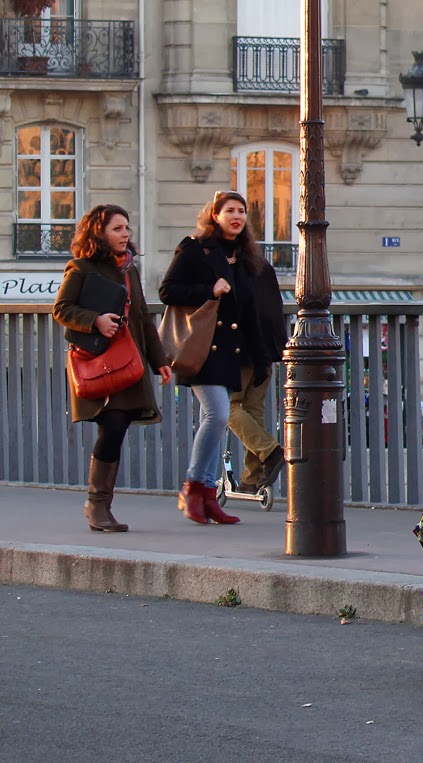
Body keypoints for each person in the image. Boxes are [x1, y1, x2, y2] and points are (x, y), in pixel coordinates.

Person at [52, 205, 173, 532]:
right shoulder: (81, 268)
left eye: (126, 229)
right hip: (100, 361)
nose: (125, 235)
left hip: (128, 360)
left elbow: (143, 317)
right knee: (114, 424)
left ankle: (99, 506)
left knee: (116, 428)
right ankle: (97, 504)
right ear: (99, 233)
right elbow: (61, 308)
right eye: (118, 229)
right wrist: (96, 321)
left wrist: (160, 360)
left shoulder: (128, 269)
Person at [160, 190, 270, 526]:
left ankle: (208, 496)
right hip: (202, 349)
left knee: (218, 419)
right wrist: (209, 290)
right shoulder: (195, 248)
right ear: (215, 215)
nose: (237, 217)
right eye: (229, 211)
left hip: (233, 353)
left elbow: (250, 312)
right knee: (218, 414)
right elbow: (168, 290)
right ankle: (193, 487)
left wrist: (262, 358)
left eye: (242, 211)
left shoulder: (246, 257)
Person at [226, 256, 287, 493]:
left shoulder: (230, 267)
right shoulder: (263, 266)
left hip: (240, 349)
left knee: (228, 407)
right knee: (253, 410)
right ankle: (252, 478)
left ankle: (269, 450)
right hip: (266, 349)